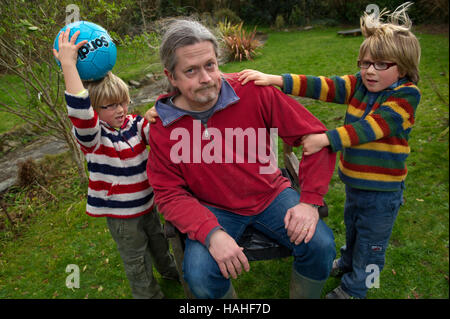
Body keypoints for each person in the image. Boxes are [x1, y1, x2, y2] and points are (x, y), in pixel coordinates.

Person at [238, 2, 421, 299]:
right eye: (364, 63)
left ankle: (360, 288)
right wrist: (275, 80)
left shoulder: (406, 96)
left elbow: (374, 127)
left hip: (383, 193)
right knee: (354, 232)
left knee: (373, 247)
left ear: (403, 66)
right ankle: (348, 263)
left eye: (380, 64)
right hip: (356, 185)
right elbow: (320, 85)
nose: (369, 71)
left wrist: (327, 139)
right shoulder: (360, 85)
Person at [145, 19, 337, 299]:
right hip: (212, 208)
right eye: (191, 71)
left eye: (210, 65)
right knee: (199, 274)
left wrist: (309, 201)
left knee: (320, 245)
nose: (207, 78)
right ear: (171, 76)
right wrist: (211, 234)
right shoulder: (163, 126)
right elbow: (168, 192)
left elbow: (316, 138)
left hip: (271, 194)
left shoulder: (253, 91)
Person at [53, 28, 178, 299]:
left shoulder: (134, 124)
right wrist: (68, 65)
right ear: (96, 111)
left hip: (147, 205)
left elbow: (154, 132)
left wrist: (158, 115)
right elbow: (80, 111)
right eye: (110, 106)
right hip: (122, 218)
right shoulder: (94, 137)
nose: (120, 109)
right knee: (137, 262)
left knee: (159, 244)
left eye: (122, 102)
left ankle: (171, 272)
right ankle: (149, 295)